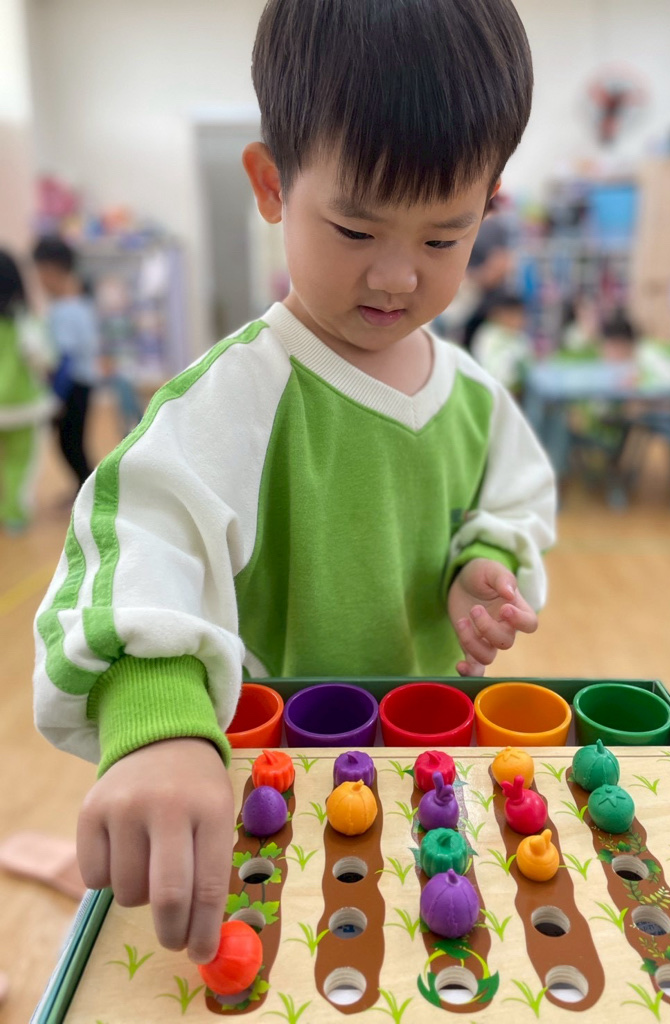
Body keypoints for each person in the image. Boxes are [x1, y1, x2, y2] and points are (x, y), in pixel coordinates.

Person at [33, 0, 556, 966]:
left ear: (489, 206)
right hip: (270, 785)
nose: (396, 276)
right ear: (272, 185)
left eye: (442, 239)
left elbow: (513, 498)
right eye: (355, 228)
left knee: (426, 964)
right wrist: (159, 725)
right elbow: (133, 547)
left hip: (421, 769)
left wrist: (480, 560)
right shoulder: (237, 395)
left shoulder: (476, 396)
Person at [32, 236, 99, 491]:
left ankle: (89, 491)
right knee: (71, 443)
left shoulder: (65, 310)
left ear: (53, 270)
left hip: (73, 385)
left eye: (40, 273)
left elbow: (66, 360)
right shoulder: (79, 304)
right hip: (80, 383)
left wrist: (57, 397)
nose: (39, 280)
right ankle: (82, 489)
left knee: (71, 444)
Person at [0, 251, 55, 531]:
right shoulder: (24, 320)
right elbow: (43, 358)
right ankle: (14, 516)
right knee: (21, 463)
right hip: (22, 406)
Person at [470, 292, 532, 396]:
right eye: (513, 316)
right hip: (491, 387)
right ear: (498, 315)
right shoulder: (488, 335)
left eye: (521, 316)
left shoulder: (521, 338)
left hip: (518, 389)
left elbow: (527, 364)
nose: (518, 321)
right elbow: (486, 364)